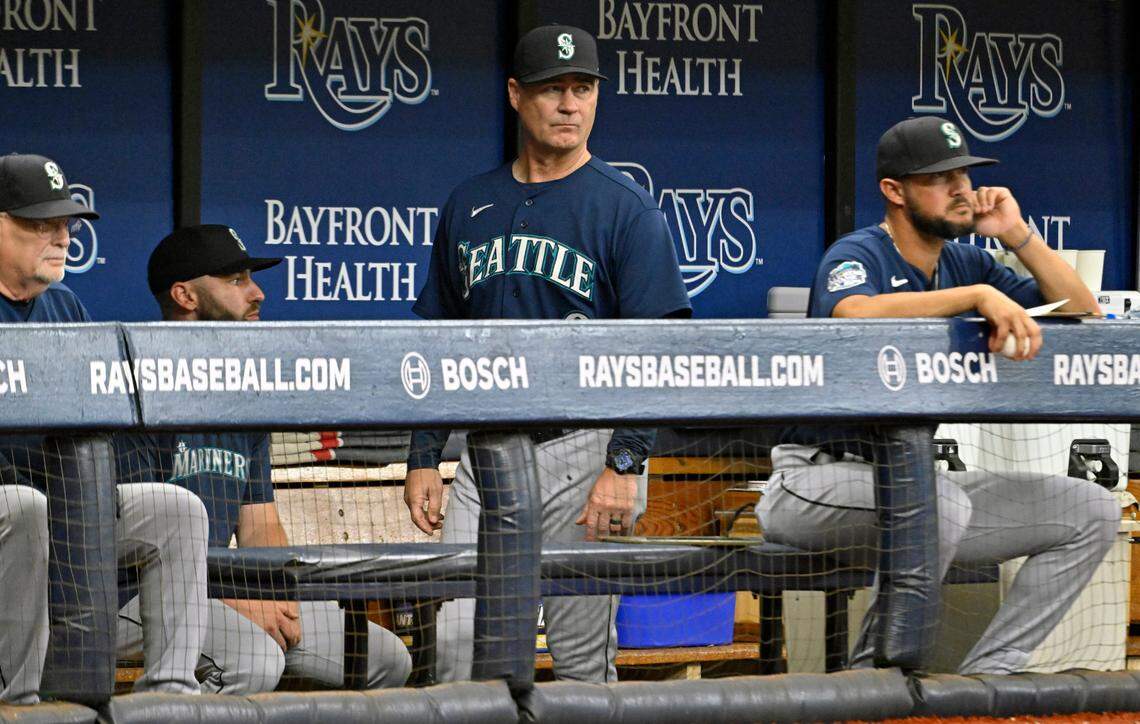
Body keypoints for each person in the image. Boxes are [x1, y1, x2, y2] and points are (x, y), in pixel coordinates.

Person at [757, 116, 1117, 675]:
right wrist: (974, 296)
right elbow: (854, 311)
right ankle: (868, 683)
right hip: (813, 485)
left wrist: (1019, 236)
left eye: (964, 175)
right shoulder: (860, 253)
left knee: (1089, 508)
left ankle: (990, 679)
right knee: (937, 505)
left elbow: (1081, 310)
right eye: (938, 178)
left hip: (914, 486)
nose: (960, 190)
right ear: (894, 191)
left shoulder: (967, 260)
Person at [402, 24, 691, 683]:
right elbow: (434, 341)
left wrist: (624, 464)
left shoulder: (624, 209)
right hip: (485, 454)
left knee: (581, 658)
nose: (569, 104)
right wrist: (423, 454)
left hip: (586, 448)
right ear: (514, 95)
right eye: (551, 89)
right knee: (456, 643)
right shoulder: (470, 203)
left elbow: (659, 350)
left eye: (583, 88)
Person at [114, 224, 412, 693]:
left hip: (221, 591)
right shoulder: (136, 393)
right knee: (252, 661)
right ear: (185, 296)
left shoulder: (240, 395)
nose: (257, 293)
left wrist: (271, 593)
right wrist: (237, 599)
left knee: (383, 658)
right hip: (132, 597)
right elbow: (141, 549)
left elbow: (260, 524)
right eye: (236, 281)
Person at [0, 153, 210, 700]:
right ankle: (17, 703)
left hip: (55, 505)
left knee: (175, 510)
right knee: (25, 507)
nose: (62, 237)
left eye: (65, 224)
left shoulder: (65, 306)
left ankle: (169, 697)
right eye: (41, 224)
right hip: (12, 511)